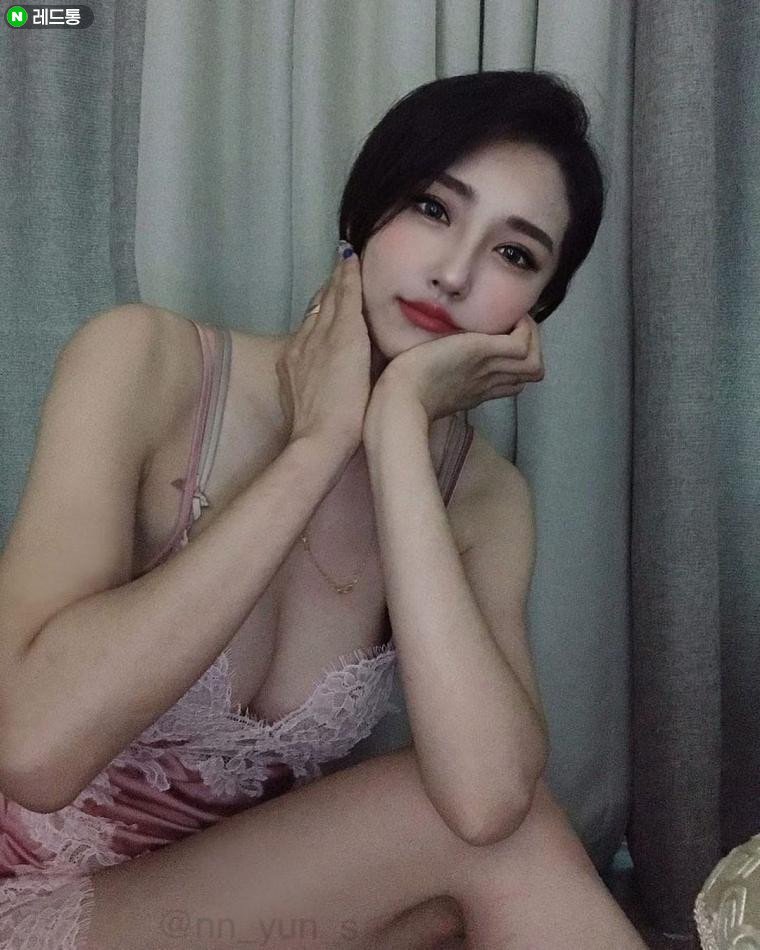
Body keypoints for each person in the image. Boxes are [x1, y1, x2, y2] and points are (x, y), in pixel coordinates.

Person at [0, 70, 646, 949]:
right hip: (33, 896)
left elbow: (489, 800)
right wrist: (314, 448)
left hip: (230, 913)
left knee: (496, 848)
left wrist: (399, 430)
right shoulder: (146, 364)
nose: (454, 272)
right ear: (363, 214)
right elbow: (33, 753)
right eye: (432, 208)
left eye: (515, 255)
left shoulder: (484, 498)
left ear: (537, 311)